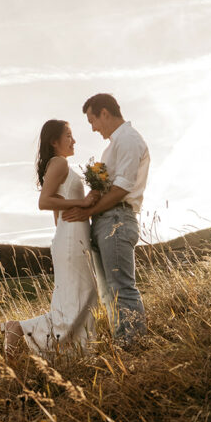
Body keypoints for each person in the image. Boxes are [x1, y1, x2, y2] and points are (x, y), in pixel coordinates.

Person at [2, 119, 103, 358]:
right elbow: (44, 202)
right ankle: (19, 329)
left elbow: (58, 216)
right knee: (78, 299)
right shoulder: (59, 163)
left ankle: (77, 354)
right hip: (71, 240)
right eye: (68, 135)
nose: (74, 140)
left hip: (69, 237)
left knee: (80, 298)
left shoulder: (59, 166)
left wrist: (86, 205)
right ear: (54, 141)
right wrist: (83, 202)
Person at [62, 93, 149, 346]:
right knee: (108, 291)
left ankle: (134, 344)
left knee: (121, 286)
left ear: (104, 113)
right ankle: (122, 341)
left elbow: (122, 188)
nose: (93, 128)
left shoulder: (129, 139)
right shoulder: (112, 146)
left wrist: (87, 212)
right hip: (105, 220)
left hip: (117, 218)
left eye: (93, 121)